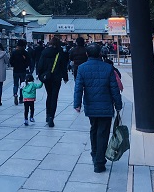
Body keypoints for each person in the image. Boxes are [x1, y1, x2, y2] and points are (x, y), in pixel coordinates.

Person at [73, 43, 123, 173]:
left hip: (91, 105)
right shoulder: (108, 68)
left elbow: (78, 88)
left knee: (94, 129)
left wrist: (77, 104)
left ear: (86, 54)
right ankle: (99, 162)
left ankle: (95, 154)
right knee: (103, 132)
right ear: (100, 54)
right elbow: (114, 89)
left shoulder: (82, 68)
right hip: (106, 106)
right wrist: (118, 104)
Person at [36, 36, 68, 127]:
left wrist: (40, 74)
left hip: (47, 77)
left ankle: (47, 114)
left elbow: (40, 65)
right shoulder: (59, 52)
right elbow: (63, 66)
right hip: (56, 77)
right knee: (54, 97)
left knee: (49, 95)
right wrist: (65, 77)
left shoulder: (44, 52)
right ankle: (51, 117)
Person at [9, 39, 30, 105]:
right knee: (22, 84)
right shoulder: (25, 53)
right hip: (23, 70)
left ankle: (15, 94)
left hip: (16, 70)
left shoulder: (14, 52)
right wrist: (26, 65)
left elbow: (11, 61)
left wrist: (13, 65)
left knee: (15, 84)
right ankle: (21, 98)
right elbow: (28, 61)